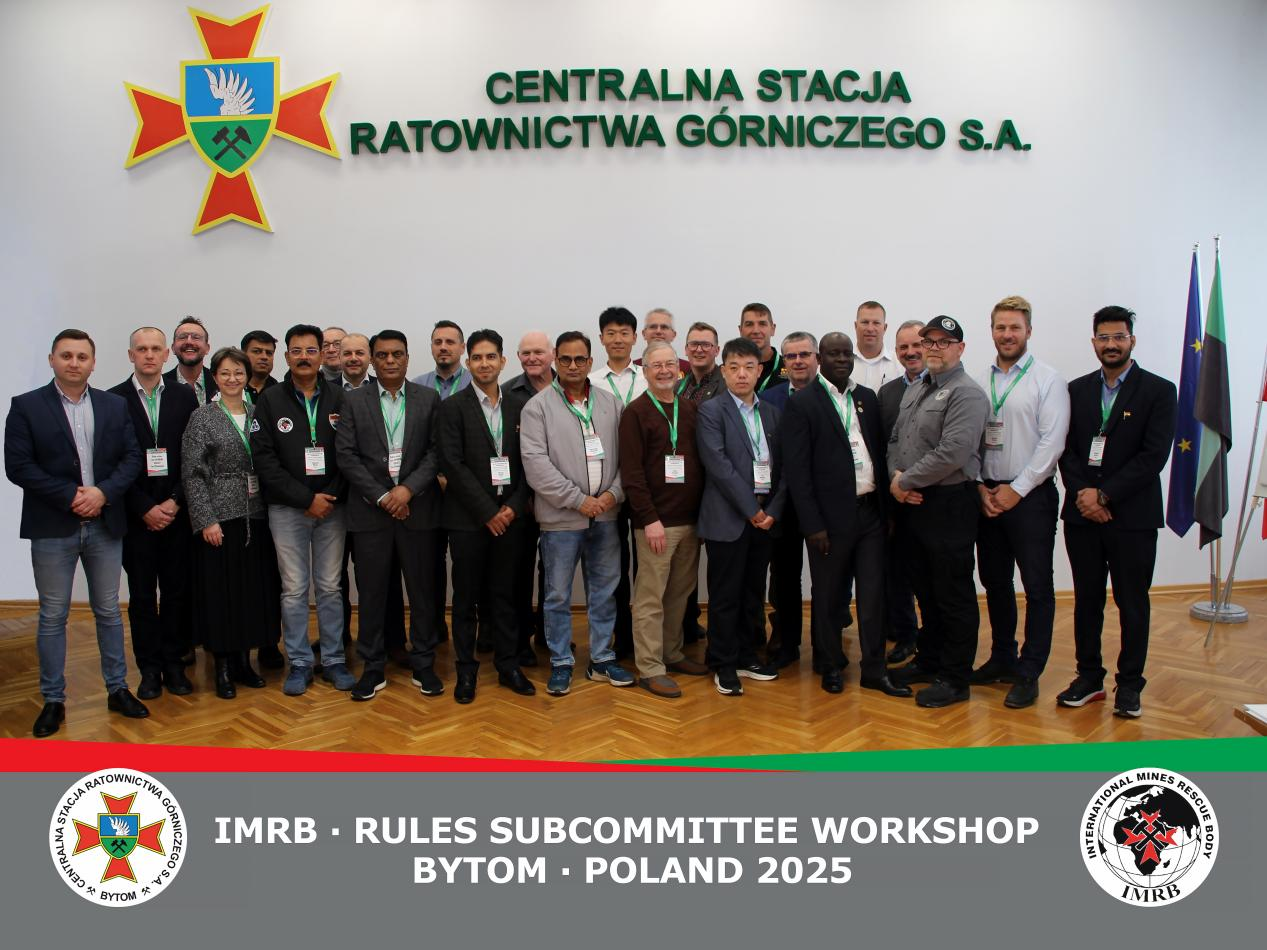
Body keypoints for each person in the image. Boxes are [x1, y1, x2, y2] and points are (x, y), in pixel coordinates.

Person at [5, 329, 146, 737]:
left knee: (108, 611)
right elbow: (19, 466)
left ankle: (117, 689)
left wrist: (102, 493)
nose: (74, 363)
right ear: (52, 359)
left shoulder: (114, 405)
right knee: (53, 616)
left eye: (82, 356)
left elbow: (131, 458)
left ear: (93, 363)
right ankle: (53, 700)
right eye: (66, 355)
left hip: (105, 523)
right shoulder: (26, 406)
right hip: (53, 526)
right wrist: (71, 496)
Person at [1057, 306, 1176, 719]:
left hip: (1133, 518)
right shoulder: (1075, 390)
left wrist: (1104, 496)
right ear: (1094, 342)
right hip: (1082, 516)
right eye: (1104, 337)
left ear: (1132, 340)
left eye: (1119, 337)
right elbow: (1066, 450)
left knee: (1132, 603)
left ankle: (1129, 685)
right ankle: (1089, 677)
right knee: (1086, 600)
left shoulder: (1159, 391)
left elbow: (1153, 456)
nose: (1111, 344)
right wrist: (1085, 496)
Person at [784, 333, 910, 697]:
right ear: (820, 358)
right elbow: (798, 473)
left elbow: (879, 456)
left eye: (846, 354)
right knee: (828, 595)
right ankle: (829, 665)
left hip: (870, 513)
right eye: (833, 354)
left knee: (873, 595)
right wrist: (813, 525)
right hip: (828, 520)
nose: (841, 359)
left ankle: (874, 669)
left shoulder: (866, 398)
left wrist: (887, 512)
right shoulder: (803, 403)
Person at [335, 330, 448, 701]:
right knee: (372, 593)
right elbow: (346, 455)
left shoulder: (428, 399)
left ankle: (424, 663)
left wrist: (407, 490)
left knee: (422, 592)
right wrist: (384, 496)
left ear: (407, 358)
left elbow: (436, 452)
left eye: (396, 354)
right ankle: (372, 666)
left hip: (418, 510)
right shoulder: (353, 400)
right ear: (372, 360)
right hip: (371, 514)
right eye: (382, 355)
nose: (389, 361)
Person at [521, 330, 634, 696]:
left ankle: (601, 658)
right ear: (556, 361)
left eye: (579, 359)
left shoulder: (610, 403)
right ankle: (561, 661)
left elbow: (628, 458)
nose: (572, 365)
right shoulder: (537, 407)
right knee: (557, 595)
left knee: (605, 591)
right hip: (561, 520)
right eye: (566, 359)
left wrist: (613, 494)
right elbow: (535, 465)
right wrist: (577, 499)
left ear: (590, 361)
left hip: (606, 515)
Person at [971, 296, 1071, 709]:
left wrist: (1018, 488)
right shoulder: (980, 380)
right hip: (988, 496)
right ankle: (1002, 657)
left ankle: (1029, 671)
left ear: (1028, 331)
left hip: (1030, 497)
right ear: (992, 331)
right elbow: (970, 439)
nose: (1007, 334)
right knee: (995, 582)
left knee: (1037, 586)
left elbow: (1052, 443)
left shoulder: (1048, 380)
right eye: (1001, 327)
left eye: (1014, 327)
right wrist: (981, 487)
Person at [888, 315, 989, 708]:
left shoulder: (967, 393)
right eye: (928, 341)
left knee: (952, 594)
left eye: (943, 342)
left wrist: (905, 481)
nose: (933, 348)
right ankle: (929, 661)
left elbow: (953, 453)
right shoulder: (917, 388)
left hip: (949, 503)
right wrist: (897, 479)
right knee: (925, 591)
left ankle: (955, 677)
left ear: (960, 349)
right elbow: (896, 439)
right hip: (914, 503)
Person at [251, 324, 352, 695]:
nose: (304, 357)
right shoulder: (270, 401)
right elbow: (264, 460)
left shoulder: (340, 398)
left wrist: (327, 497)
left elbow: (350, 454)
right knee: (293, 589)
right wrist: (305, 499)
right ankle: (299, 662)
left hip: (332, 508)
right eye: (297, 351)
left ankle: (334, 659)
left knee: (330, 586)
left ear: (322, 354)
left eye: (311, 350)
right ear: (287, 356)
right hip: (287, 510)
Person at [436, 329, 536, 702]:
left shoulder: (520, 406)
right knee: (466, 600)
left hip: (511, 519)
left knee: (506, 595)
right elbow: (452, 464)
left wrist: (512, 506)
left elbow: (530, 462)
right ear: (468, 362)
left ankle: (508, 665)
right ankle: (466, 670)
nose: (484, 364)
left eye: (490, 356)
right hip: (468, 521)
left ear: (502, 361)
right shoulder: (452, 407)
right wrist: (488, 512)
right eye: (477, 358)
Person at [108, 327, 199, 699]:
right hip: (137, 517)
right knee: (143, 597)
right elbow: (110, 462)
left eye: (155, 349)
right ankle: (149, 669)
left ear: (166, 354)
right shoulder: (112, 400)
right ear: (131, 355)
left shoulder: (184, 396)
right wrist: (144, 507)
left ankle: (174, 664)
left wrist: (176, 500)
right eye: (141, 349)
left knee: (177, 593)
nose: (149, 355)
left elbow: (193, 455)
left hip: (177, 514)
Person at [182, 347, 275, 698]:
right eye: (225, 373)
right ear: (215, 377)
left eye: (238, 372)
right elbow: (192, 474)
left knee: (250, 592)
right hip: (220, 518)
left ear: (247, 376)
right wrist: (206, 519)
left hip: (257, 514)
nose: (232, 379)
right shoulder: (202, 417)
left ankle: (243, 662)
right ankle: (221, 666)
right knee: (221, 593)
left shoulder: (258, 412)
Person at [618, 341, 709, 698]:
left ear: (679, 370)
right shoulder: (635, 413)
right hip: (656, 524)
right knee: (650, 598)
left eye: (670, 364)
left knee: (679, 594)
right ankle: (650, 667)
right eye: (656, 365)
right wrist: (649, 519)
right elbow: (632, 473)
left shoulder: (690, 409)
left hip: (690, 521)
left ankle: (671, 653)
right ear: (645, 371)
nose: (664, 370)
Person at [696, 337, 785, 696]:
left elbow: (784, 468)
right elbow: (719, 466)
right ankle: (723, 662)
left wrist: (772, 510)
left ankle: (747, 655)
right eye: (734, 367)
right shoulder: (711, 411)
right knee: (725, 595)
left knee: (752, 592)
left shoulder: (772, 413)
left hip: (765, 520)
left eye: (749, 367)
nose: (742, 374)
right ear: (723, 371)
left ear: (760, 370)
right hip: (729, 519)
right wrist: (752, 510)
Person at [759, 331, 821, 669]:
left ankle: (825, 645)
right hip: (781, 502)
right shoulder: (769, 398)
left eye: (804, 354)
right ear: (784, 362)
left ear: (816, 358)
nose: (798, 361)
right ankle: (786, 640)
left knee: (826, 576)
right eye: (791, 356)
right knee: (784, 576)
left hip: (822, 502)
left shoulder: (831, 395)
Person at [413, 319, 472, 645]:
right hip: (427, 490)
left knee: (467, 564)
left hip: (465, 492)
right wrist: (434, 475)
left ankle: (477, 631)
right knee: (429, 564)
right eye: (438, 342)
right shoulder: (417, 386)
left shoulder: (476, 384)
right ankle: (434, 627)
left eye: (450, 342)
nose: (444, 347)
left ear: (462, 348)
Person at [590, 306, 644, 659]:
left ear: (635, 338)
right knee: (613, 566)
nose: (618, 339)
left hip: (643, 484)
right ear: (601, 339)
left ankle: (645, 636)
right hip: (607, 484)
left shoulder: (648, 377)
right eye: (611, 333)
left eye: (624, 333)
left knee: (646, 565)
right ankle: (620, 637)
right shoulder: (591, 381)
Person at [877, 320, 927, 666]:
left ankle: (936, 640)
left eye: (917, 345)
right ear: (895, 351)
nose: (910, 352)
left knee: (933, 575)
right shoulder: (888, 393)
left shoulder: (944, 387)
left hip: (933, 497)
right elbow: (884, 445)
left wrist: (915, 482)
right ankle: (907, 636)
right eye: (903, 347)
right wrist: (896, 485)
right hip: (897, 497)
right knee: (897, 574)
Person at [506, 330, 555, 664]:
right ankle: (521, 639)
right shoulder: (509, 392)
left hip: (560, 498)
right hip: (522, 499)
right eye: (526, 353)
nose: (532, 358)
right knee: (519, 573)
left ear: (552, 354)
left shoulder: (568, 388)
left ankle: (550, 635)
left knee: (553, 572)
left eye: (538, 352)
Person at [164, 316, 218, 405]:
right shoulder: (160, 385)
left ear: (207, 348)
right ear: (173, 348)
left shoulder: (220, 382)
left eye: (196, 337)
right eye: (183, 337)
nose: (189, 342)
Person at [738, 303, 788, 392]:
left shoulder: (789, 368)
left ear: (773, 329)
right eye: (749, 324)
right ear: (740, 330)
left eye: (762, 324)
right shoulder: (727, 371)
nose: (756, 331)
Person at [852, 301, 900, 392]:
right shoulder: (842, 362)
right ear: (855, 326)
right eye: (865, 322)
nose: (870, 329)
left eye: (876, 323)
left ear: (885, 328)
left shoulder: (899, 364)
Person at [678, 321, 724, 403]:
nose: (699, 350)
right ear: (686, 350)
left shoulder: (728, 387)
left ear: (717, 350)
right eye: (694, 344)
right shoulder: (676, 387)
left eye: (706, 345)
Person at [634, 308, 690, 374]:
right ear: (644, 334)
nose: (658, 331)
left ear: (673, 335)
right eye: (653, 327)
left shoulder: (688, 369)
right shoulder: (632, 369)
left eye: (664, 327)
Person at [241, 330, 278, 402]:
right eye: (257, 351)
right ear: (243, 354)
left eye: (269, 353)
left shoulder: (281, 393)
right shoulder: (231, 389)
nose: (264, 357)